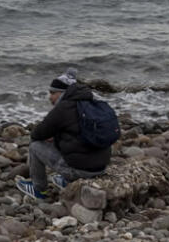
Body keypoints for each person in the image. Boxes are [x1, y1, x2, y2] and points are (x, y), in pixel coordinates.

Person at [15, 67, 112, 200]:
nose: (50, 98)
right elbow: (77, 132)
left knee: (35, 145)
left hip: (81, 171)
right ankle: (67, 182)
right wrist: (55, 136)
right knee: (71, 143)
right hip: (101, 168)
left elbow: (36, 134)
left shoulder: (63, 108)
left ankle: (38, 190)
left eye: (52, 93)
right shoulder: (90, 103)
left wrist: (51, 135)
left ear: (62, 93)